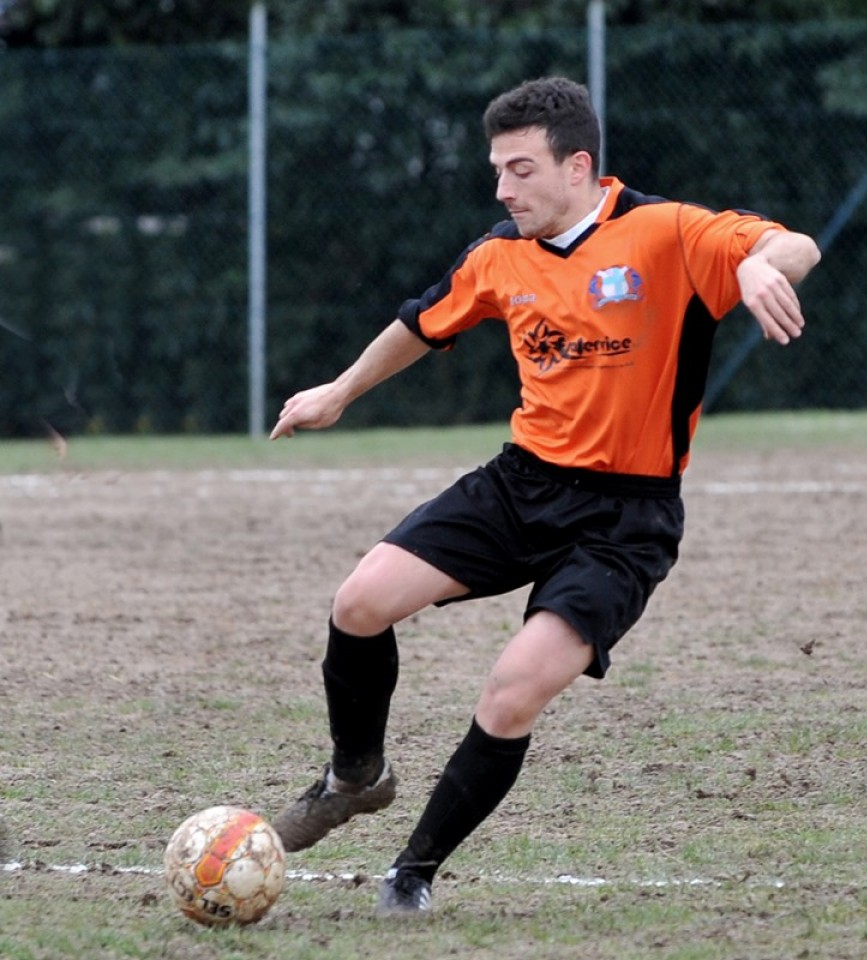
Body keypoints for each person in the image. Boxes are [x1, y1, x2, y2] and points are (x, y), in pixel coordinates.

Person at [267, 76, 820, 917]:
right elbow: (424, 322)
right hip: (520, 484)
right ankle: (356, 773)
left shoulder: (666, 232)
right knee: (359, 603)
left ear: (579, 168)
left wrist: (751, 267)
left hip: (625, 519)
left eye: (520, 170)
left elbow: (798, 246)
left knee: (512, 690)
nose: (502, 188)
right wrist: (339, 392)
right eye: (497, 169)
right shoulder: (500, 253)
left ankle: (412, 873)